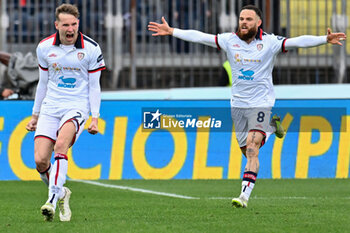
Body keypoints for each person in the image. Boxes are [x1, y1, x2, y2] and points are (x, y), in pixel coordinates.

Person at [148, 5, 346, 208]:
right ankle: (269, 128)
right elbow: (201, 37)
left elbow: (297, 42)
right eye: (242, 18)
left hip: (261, 103)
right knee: (247, 150)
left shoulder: (270, 42)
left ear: (258, 22)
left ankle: (244, 196)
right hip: (238, 105)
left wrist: (324, 39)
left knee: (252, 150)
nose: (244, 22)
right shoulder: (229, 40)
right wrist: (172, 31)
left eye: (249, 19)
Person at [26, 3, 106, 221]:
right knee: (41, 161)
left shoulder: (91, 48)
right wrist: (35, 116)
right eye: (65, 25)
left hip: (77, 106)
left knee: (61, 145)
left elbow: (94, 86)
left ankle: (52, 200)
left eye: (74, 24)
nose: (70, 29)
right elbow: (42, 83)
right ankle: (62, 192)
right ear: (57, 25)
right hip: (51, 106)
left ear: (78, 23)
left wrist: (95, 118)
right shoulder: (44, 47)